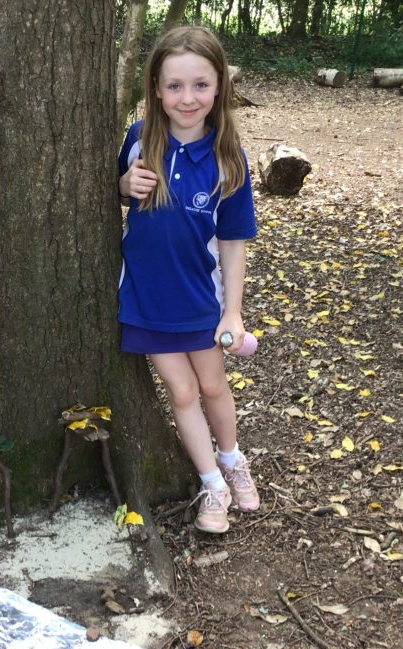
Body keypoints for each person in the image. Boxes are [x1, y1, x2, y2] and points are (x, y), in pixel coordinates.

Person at [117, 26, 260, 534]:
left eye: (200, 85)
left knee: (214, 385)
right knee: (181, 392)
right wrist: (122, 184)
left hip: (202, 301)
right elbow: (112, 193)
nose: (187, 98)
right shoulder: (138, 142)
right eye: (174, 86)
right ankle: (212, 487)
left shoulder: (227, 159)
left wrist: (233, 310)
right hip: (146, 301)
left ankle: (232, 459)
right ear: (155, 88)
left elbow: (234, 241)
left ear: (219, 86)